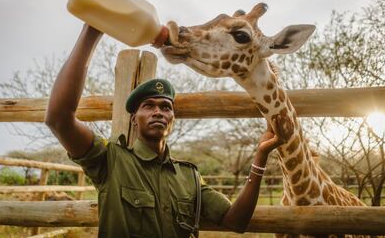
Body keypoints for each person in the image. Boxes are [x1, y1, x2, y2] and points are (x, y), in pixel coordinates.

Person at [45, 24, 289, 238]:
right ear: (134, 119)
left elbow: (235, 221)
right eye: (148, 106)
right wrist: (91, 31)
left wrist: (260, 157)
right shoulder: (110, 161)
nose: (158, 112)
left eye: (165, 107)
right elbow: (59, 118)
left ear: (172, 119)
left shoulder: (190, 178)